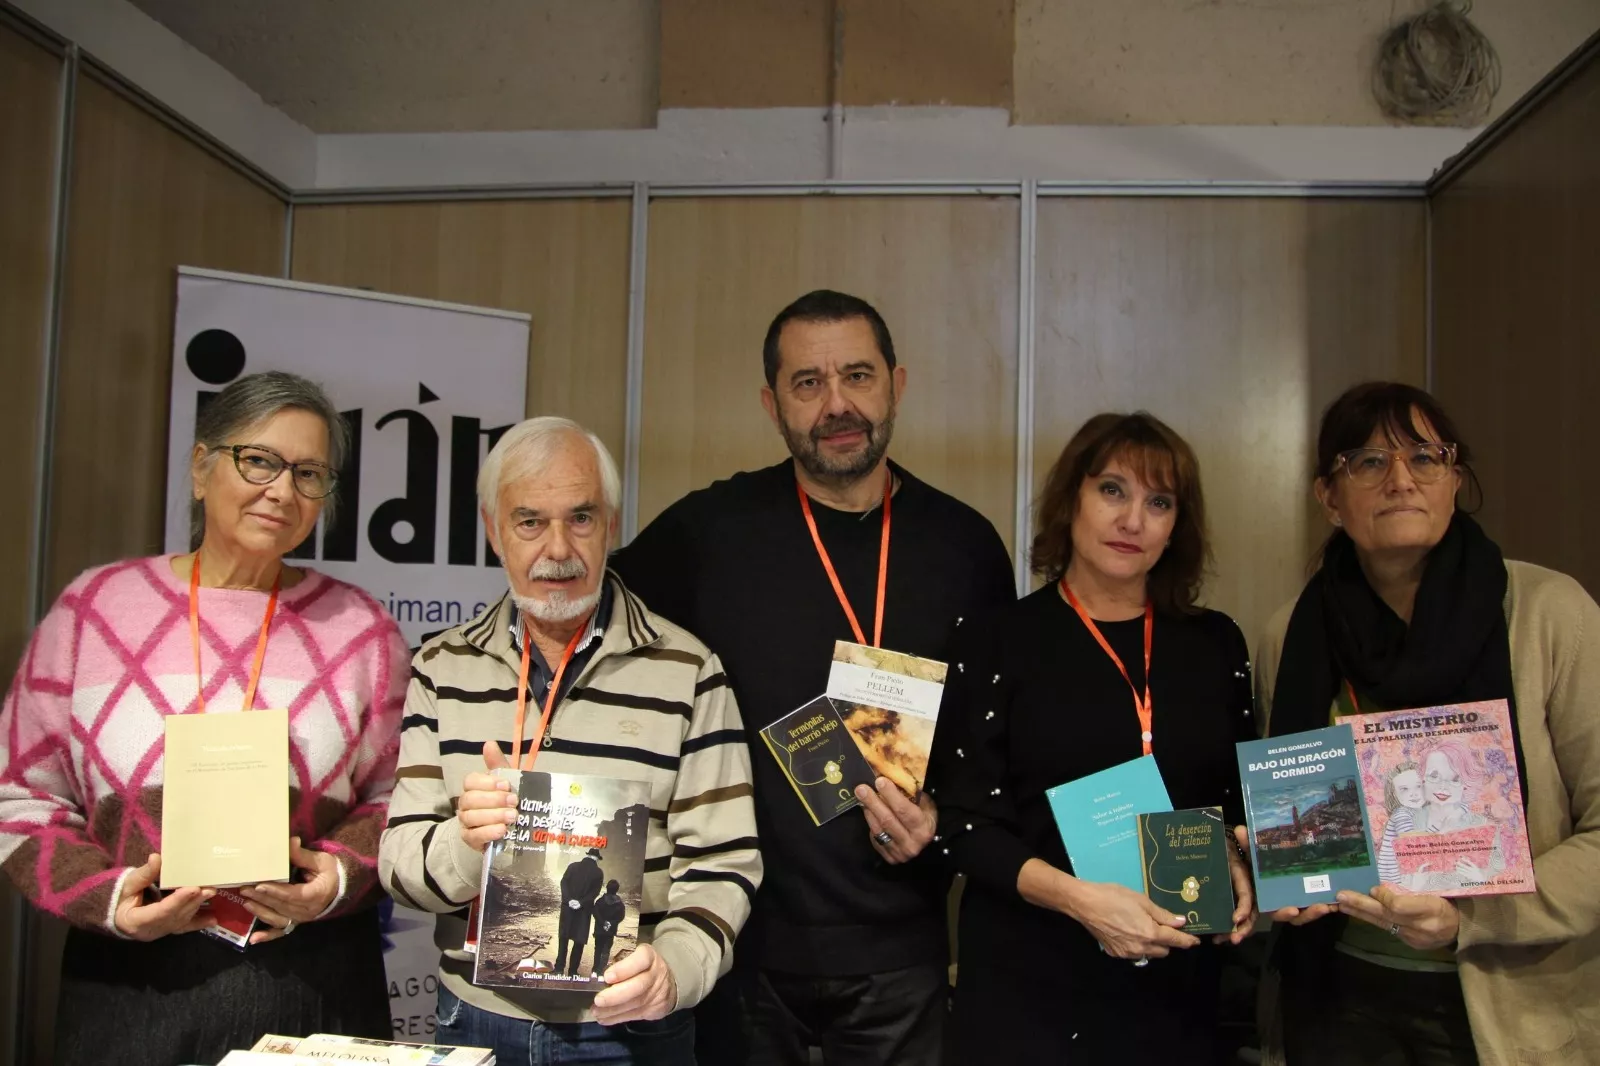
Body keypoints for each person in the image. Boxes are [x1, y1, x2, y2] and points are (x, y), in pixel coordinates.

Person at [611, 289, 1015, 1066]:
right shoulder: (709, 532)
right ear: (772, 404)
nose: (837, 404)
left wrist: (943, 819)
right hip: (740, 943)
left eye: (858, 376)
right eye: (808, 383)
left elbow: (993, 745)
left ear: (897, 384)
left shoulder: (966, 546)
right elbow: (593, 632)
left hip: (903, 947)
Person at [0, 371, 409, 1066]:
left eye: (309, 473)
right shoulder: (93, 611)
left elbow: (401, 800)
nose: (282, 490)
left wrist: (335, 878)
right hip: (127, 992)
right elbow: (17, 796)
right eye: (259, 460)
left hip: (314, 984)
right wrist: (106, 897)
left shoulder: (363, 631)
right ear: (200, 467)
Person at [379, 416, 761, 1065]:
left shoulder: (690, 671)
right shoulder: (441, 668)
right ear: (492, 529)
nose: (558, 548)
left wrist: (674, 970)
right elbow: (399, 866)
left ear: (610, 524)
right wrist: (470, 844)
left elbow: (726, 865)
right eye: (529, 521)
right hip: (473, 1019)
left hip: (632, 1027)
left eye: (580, 518)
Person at [1255, 381, 1600, 1065]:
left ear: (1455, 480)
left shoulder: (1548, 615)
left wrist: (1467, 917)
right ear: (1329, 495)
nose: (1402, 480)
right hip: (1336, 995)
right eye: (1370, 462)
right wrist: (1272, 867)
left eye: (1426, 457)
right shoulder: (1288, 634)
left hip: (1507, 1005)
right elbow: (1295, 820)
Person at [931, 411, 1257, 1062]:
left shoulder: (1216, 645)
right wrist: (1081, 902)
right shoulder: (998, 641)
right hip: (1031, 988)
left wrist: (1240, 863)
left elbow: (1235, 801)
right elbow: (963, 826)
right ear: (1070, 499)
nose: (1132, 520)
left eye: (1158, 502)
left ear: (1176, 527)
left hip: (1177, 989)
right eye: (1112, 490)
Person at [555, 849, 606, 976]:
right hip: (584, 911)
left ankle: (559, 969)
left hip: (567, 908)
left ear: (587, 855)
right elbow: (594, 892)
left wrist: (568, 900)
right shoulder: (598, 873)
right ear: (597, 859)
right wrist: (581, 903)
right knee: (578, 942)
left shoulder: (573, 866)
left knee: (563, 938)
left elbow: (563, 883)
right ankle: (572, 972)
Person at [594, 879, 627, 974]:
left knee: (598, 949)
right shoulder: (620, 904)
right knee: (606, 951)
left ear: (607, 888)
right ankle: (601, 971)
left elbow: (595, 913)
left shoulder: (599, 901)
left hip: (599, 930)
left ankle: (595, 969)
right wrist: (611, 923)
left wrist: (603, 923)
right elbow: (621, 917)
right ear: (617, 890)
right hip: (610, 931)